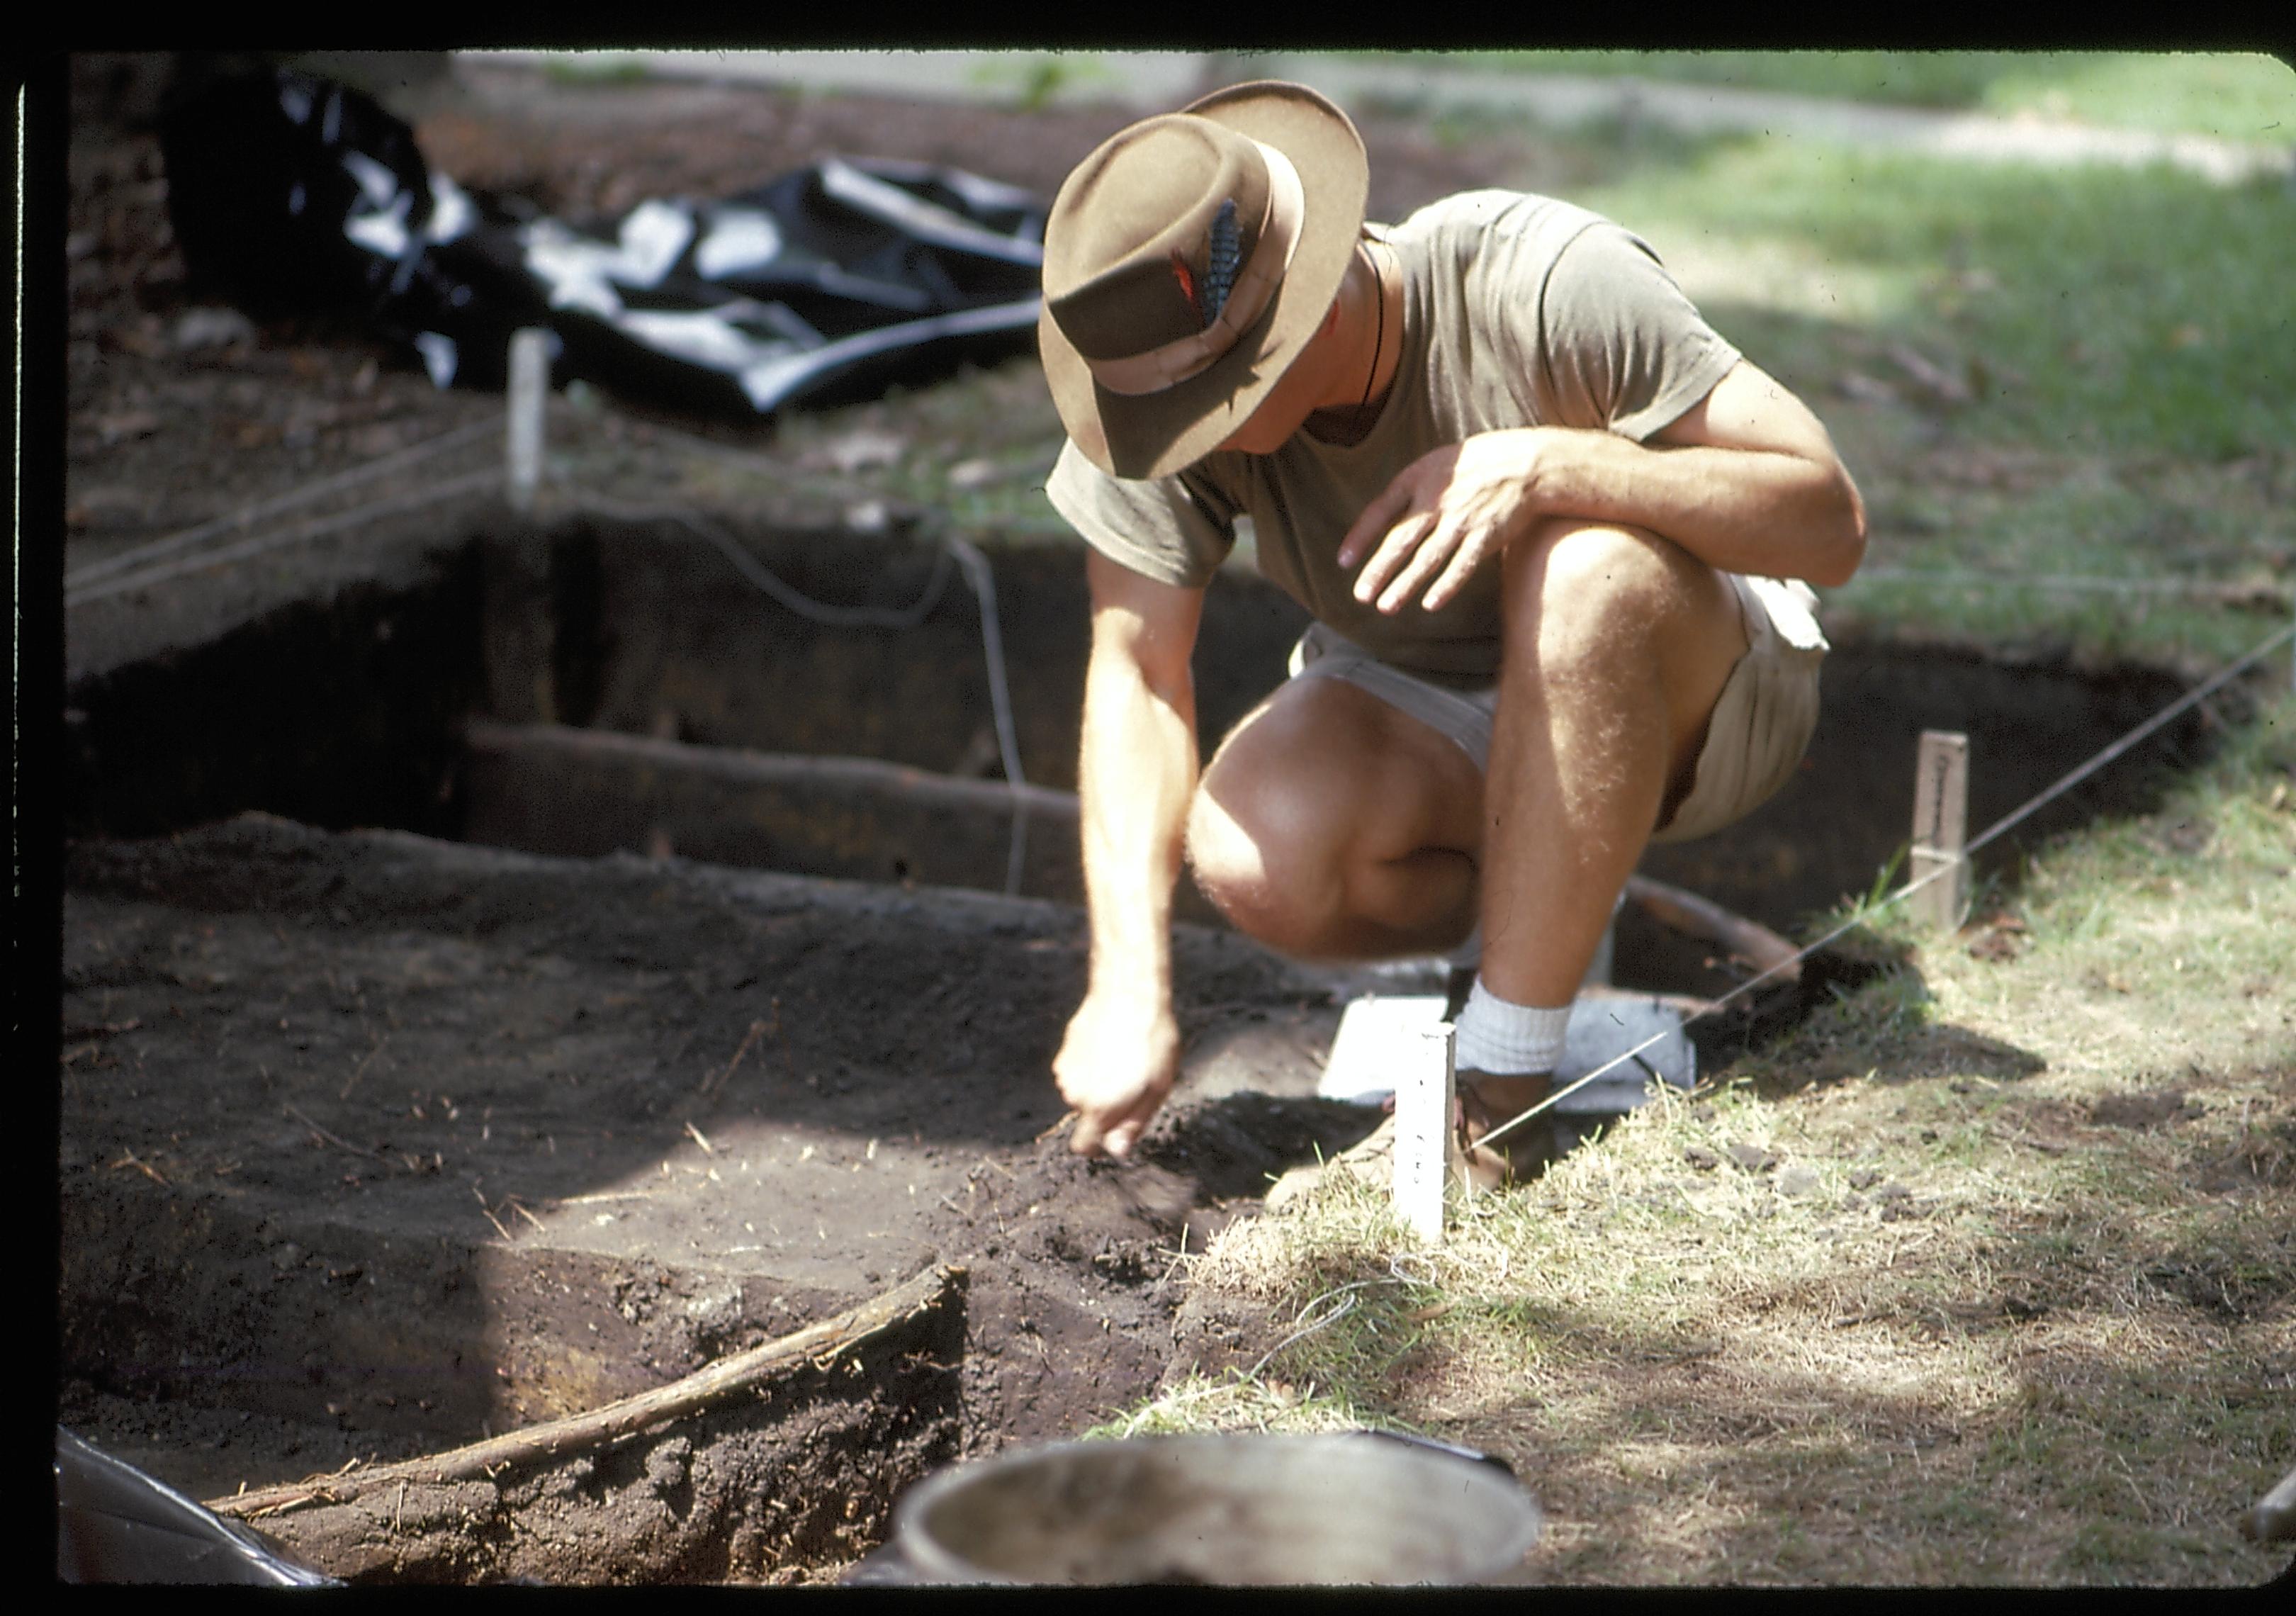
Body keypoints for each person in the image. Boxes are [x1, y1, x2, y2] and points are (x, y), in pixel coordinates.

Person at [1035, 81, 1865, 1177]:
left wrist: (1558, 465)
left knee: (1584, 564)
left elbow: (1827, 520)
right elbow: (1137, 669)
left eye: (1212, 405)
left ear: (1310, 300)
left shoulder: (1543, 284)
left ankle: (1502, 1087)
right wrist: (1128, 987)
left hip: (1701, 694)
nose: (1181, 440)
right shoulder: (1162, 412)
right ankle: (1545, 916)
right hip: (1429, 701)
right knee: (1257, 850)